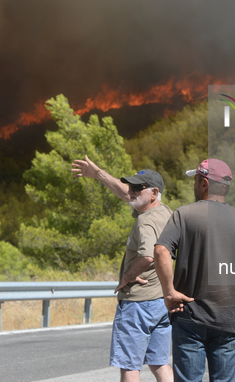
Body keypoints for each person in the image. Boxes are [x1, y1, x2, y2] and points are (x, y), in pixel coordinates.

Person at [153, 158, 235, 382]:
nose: (194, 186)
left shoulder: (184, 215)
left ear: (204, 183)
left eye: (195, 181)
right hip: (229, 319)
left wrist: (169, 291)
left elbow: (160, 251)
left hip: (190, 317)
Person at [71, 156, 173, 382]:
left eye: (139, 188)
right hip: (160, 301)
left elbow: (147, 256)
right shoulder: (165, 213)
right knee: (160, 363)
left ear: (154, 193)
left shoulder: (145, 221)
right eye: (132, 186)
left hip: (138, 304)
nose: (133, 191)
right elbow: (125, 193)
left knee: (129, 366)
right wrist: (98, 173)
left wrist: (127, 277)